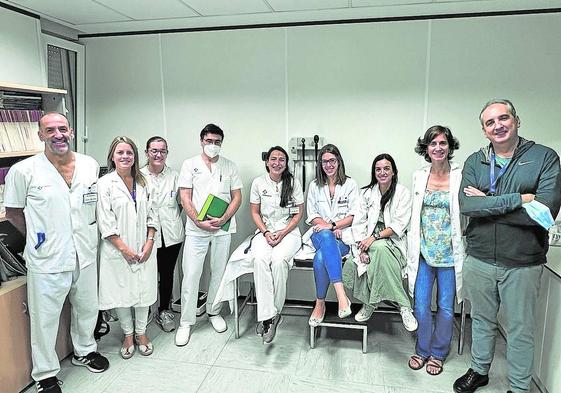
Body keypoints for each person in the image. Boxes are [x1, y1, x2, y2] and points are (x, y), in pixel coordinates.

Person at [453, 99, 561, 393]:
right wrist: (521, 198)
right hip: (480, 258)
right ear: (484, 130)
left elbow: (544, 213)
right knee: (482, 320)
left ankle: (518, 387)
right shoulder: (477, 161)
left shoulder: (543, 158)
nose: (497, 126)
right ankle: (479, 370)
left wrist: (487, 202)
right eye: (490, 122)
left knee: (520, 330)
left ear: (517, 120)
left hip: (522, 262)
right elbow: (467, 205)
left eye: (503, 118)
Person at [4, 112, 109, 393]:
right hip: (47, 258)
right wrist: (40, 237)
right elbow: (13, 212)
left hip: (84, 252)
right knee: (45, 318)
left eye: (62, 128)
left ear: (71, 132)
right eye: (50, 130)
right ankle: (46, 373)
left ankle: (84, 351)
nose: (58, 134)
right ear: (40, 135)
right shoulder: (23, 171)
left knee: (87, 309)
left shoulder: (89, 165)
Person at [175, 123, 242, 346]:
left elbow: (237, 197)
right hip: (197, 229)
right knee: (192, 274)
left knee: (219, 271)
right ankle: (186, 321)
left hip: (222, 228)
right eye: (209, 141)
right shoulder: (189, 165)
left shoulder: (229, 166)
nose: (213, 145)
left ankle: (214, 312)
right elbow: (185, 196)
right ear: (201, 140)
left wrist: (223, 219)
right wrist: (197, 220)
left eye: (217, 142)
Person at [407, 126, 465, 376]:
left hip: (450, 254)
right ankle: (422, 349)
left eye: (443, 143)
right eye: (433, 144)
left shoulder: (460, 176)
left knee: (444, 306)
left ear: (450, 147)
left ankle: (438, 353)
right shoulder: (419, 176)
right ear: (426, 149)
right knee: (420, 305)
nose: (438, 148)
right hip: (423, 252)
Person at [97, 136, 158, 359]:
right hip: (117, 250)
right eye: (120, 152)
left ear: (135, 156)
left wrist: (149, 242)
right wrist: (124, 249)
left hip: (144, 247)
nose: (125, 156)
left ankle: (142, 333)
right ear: (112, 156)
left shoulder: (145, 182)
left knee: (143, 292)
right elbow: (105, 221)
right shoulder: (105, 183)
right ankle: (128, 335)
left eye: (129, 152)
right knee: (121, 293)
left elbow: (154, 215)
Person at [342, 153, 417, 331]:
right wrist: (362, 250)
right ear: (374, 173)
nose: (382, 172)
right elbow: (359, 223)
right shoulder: (366, 193)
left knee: (381, 249)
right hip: (366, 241)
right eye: (378, 169)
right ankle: (375, 302)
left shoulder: (403, 193)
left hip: (392, 241)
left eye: (386, 168)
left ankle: (398, 305)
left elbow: (399, 224)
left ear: (393, 171)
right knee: (355, 265)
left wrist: (373, 239)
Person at [250, 146, 304, 344]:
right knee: (259, 259)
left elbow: (298, 213)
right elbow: (255, 212)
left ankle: (274, 313)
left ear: (286, 163)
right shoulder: (258, 183)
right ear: (267, 162)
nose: (277, 163)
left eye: (282, 159)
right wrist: (265, 232)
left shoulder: (293, 183)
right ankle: (268, 316)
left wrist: (282, 232)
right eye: (273, 159)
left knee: (279, 260)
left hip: (288, 232)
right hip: (265, 231)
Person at [306, 144, 357, 326]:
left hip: (343, 235)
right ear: (320, 164)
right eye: (324, 161)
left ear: (339, 162)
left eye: (332, 161)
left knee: (321, 257)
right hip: (320, 233)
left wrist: (335, 225)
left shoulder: (350, 184)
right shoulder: (314, 186)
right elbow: (312, 215)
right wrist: (328, 227)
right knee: (327, 237)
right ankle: (341, 296)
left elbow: (353, 215)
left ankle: (320, 303)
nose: (328, 165)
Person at [140, 136, 184, 333]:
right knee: (147, 274)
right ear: (147, 152)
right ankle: (147, 310)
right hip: (146, 235)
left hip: (172, 234)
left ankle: (164, 310)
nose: (158, 154)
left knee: (167, 273)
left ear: (167, 153)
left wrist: (169, 220)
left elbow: (182, 204)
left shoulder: (175, 176)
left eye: (162, 151)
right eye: (154, 150)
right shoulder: (138, 176)